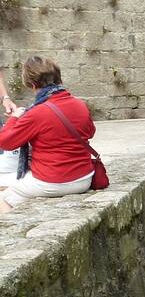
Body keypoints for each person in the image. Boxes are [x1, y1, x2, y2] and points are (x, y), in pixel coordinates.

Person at [0, 56, 96, 212]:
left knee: (2, 198)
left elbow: (5, 142)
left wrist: (15, 118)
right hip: (84, 178)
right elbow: (90, 132)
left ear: (31, 85)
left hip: (52, 181)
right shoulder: (80, 104)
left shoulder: (36, 113)